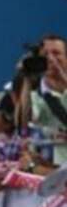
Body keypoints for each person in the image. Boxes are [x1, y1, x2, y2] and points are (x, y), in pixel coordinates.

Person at [30, 34, 67, 167]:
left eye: (56, 53)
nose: (51, 59)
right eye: (45, 55)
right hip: (48, 180)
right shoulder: (32, 96)